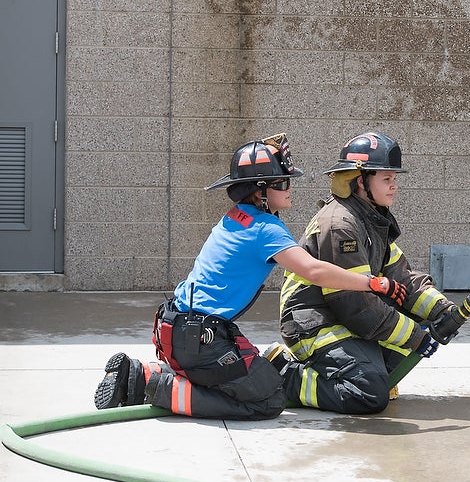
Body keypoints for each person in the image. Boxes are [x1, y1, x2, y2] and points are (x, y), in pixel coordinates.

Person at [92, 134, 407, 420]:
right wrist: (372, 282)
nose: (290, 187)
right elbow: (313, 270)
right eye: (282, 182)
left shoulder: (237, 217)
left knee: (263, 381)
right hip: (199, 339)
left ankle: (147, 375)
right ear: (261, 191)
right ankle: (149, 382)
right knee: (267, 401)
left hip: (180, 328)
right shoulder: (265, 229)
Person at [270, 131, 455, 414]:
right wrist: (416, 338)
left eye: (394, 179)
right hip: (313, 323)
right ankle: (285, 375)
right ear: (360, 182)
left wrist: (442, 309)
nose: (394, 186)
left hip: (340, 315)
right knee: (367, 393)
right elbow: (355, 304)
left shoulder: (371, 217)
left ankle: (368, 369)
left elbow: (402, 277)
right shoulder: (341, 224)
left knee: (420, 318)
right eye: (386, 179)